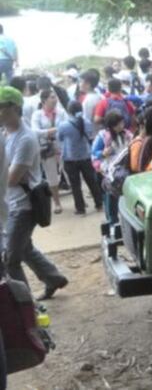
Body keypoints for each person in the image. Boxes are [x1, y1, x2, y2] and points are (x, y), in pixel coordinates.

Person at [0, 86, 69, 300]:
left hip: (23, 206)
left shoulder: (25, 139)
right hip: (11, 202)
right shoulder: (5, 134)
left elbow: (10, 178)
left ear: (14, 108)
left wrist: (7, 169)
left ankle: (24, 306)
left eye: (1, 107)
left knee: (11, 259)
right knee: (25, 248)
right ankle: (54, 278)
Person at [57, 100, 102, 216]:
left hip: (70, 158)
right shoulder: (86, 122)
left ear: (69, 111)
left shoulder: (64, 125)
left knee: (75, 185)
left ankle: (80, 208)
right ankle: (99, 204)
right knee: (92, 181)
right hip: (86, 156)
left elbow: (59, 138)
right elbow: (91, 135)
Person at [91, 110, 132, 223]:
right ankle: (112, 221)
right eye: (118, 124)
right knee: (111, 197)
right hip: (109, 172)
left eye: (122, 123)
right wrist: (103, 153)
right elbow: (94, 153)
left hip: (124, 170)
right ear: (111, 125)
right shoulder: (102, 136)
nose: (121, 126)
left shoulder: (127, 134)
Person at [30, 89, 66, 214]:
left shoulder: (61, 112)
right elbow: (34, 131)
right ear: (44, 100)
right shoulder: (37, 114)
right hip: (47, 149)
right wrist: (51, 131)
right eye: (52, 97)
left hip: (62, 147)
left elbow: (66, 126)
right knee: (51, 176)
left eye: (55, 96)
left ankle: (79, 200)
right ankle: (57, 203)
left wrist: (47, 131)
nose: (55, 99)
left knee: (67, 172)